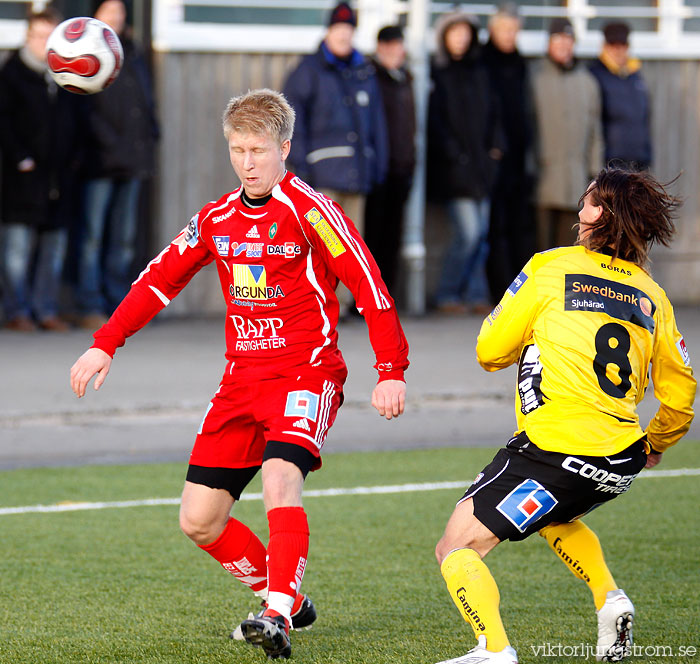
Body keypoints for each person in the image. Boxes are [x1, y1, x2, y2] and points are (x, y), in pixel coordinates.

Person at [69, 89, 408, 660]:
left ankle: (275, 615)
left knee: (280, 476)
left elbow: (369, 285)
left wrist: (390, 369)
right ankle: (285, 598)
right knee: (199, 520)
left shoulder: (310, 211)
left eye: (258, 149)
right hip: (241, 381)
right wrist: (106, 344)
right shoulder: (216, 217)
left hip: (307, 372)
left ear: (285, 148)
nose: (247, 162)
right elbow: (160, 279)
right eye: (236, 149)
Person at [433, 167, 696, 664]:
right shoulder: (653, 296)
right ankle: (610, 599)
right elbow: (681, 391)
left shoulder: (551, 266)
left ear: (605, 216)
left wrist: (526, 336)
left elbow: (489, 350)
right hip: (618, 459)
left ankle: (494, 651)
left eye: (588, 203)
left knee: (456, 548)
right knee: (556, 515)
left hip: (554, 450)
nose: (579, 211)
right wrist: (656, 443)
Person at [282, 2, 388, 315]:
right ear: (328, 30)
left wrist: (377, 165)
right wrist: (301, 167)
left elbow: (377, 124)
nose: (343, 34)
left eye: (349, 29)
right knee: (323, 244)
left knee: (352, 245)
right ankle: (315, 304)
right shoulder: (307, 71)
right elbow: (289, 122)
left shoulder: (363, 71)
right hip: (322, 180)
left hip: (357, 175)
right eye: (338, 28)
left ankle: (341, 306)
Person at [76, 0, 159, 329]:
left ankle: (118, 304)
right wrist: (107, 143)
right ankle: (90, 304)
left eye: (121, 12)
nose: (117, 18)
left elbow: (143, 102)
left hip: (133, 159)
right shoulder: (84, 53)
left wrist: (152, 133)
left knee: (124, 239)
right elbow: (85, 110)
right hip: (100, 161)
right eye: (110, 12)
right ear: (95, 17)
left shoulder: (132, 52)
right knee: (92, 237)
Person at [0, 7, 83, 331]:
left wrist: (73, 159)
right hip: (22, 176)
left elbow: (76, 122)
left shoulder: (66, 75)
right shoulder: (12, 73)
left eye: (51, 36)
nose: (44, 43)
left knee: (54, 249)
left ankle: (45, 309)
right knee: (17, 250)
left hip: (58, 176)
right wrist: (20, 158)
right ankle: (17, 312)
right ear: (28, 37)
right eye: (39, 36)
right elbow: (4, 122)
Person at [427, 10, 503, 315]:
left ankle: (474, 294)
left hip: (482, 168)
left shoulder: (480, 72)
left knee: (481, 236)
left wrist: (496, 149)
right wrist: (452, 153)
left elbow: (495, 115)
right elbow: (435, 122)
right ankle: (447, 292)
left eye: (465, 32)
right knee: (469, 234)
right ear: (445, 37)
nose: (460, 38)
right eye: (454, 32)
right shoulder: (438, 73)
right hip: (455, 170)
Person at [532, 18, 603, 250]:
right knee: (540, 248)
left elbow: (595, 130)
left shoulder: (587, 82)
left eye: (568, 40)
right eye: (558, 39)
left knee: (569, 249)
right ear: (549, 43)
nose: (564, 45)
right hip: (541, 179)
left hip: (576, 181)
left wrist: (594, 173)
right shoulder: (535, 78)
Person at [482, 3, 537, 303]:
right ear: (492, 30)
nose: (509, 35)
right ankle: (499, 291)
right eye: (504, 29)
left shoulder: (519, 64)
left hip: (518, 157)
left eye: (514, 30)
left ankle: (521, 292)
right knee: (494, 227)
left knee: (520, 225)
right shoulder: (482, 61)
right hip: (493, 157)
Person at [363, 24, 416, 297]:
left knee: (392, 238)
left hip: (401, 169)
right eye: (390, 47)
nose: (396, 52)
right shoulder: (371, 77)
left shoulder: (404, 78)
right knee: (372, 238)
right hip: (378, 170)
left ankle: (386, 296)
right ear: (380, 48)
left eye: (399, 46)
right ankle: (368, 298)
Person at [589, 22, 652, 171]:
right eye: (613, 45)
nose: (619, 50)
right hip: (611, 165)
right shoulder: (595, 75)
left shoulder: (635, 76)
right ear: (604, 46)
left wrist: (647, 154)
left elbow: (643, 118)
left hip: (638, 162)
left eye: (623, 45)